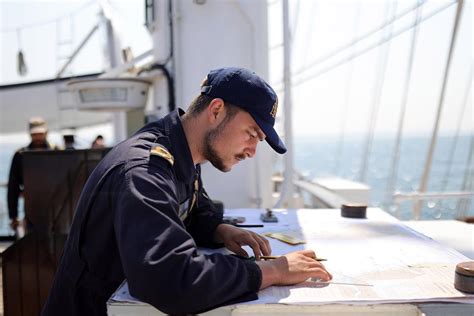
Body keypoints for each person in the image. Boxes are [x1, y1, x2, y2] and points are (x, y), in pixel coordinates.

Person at [42, 67, 332, 315]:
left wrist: (219, 229)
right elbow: (169, 279)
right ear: (216, 111)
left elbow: (189, 209)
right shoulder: (144, 171)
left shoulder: (180, 153)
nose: (253, 151)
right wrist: (272, 272)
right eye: (251, 134)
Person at [7, 117, 57, 231]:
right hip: (31, 208)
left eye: (40, 133)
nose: (38, 137)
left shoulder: (56, 152)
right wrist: (13, 216)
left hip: (57, 208)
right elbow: (13, 186)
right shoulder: (20, 155)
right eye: (35, 134)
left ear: (46, 133)